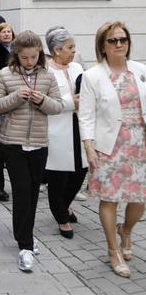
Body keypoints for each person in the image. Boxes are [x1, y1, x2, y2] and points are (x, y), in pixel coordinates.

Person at [79, 22, 146, 279]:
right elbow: (85, 115)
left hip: (139, 142)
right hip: (108, 145)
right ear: (102, 46)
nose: (119, 44)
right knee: (110, 199)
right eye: (113, 40)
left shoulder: (140, 70)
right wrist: (89, 146)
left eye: (123, 39)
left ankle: (126, 230)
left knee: (138, 200)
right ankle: (113, 250)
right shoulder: (93, 76)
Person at [0, 31, 63, 271]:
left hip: (39, 143)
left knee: (32, 193)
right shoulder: (5, 74)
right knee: (21, 191)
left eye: (33, 57)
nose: (29, 61)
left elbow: (58, 107)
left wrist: (42, 100)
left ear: (40, 55)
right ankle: (25, 245)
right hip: (13, 143)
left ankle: (26, 235)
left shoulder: (48, 76)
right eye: (25, 58)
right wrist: (15, 98)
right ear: (16, 56)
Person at [44, 28, 87, 239]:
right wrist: (72, 102)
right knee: (58, 177)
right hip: (57, 129)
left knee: (80, 172)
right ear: (56, 50)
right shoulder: (45, 72)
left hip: (81, 126)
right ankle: (61, 217)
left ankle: (65, 205)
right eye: (69, 48)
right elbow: (45, 103)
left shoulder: (78, 67)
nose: (73, 51)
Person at [0, 22, 15, 202]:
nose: (6, 34)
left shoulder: (17, 51)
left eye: (9, 32)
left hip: (17, 102)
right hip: (0, 100)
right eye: (3, 32)